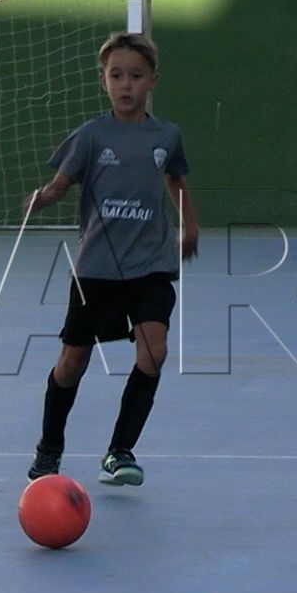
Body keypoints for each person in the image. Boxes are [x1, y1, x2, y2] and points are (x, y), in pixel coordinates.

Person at [23, 32, 197, 488]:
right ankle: (49, 448)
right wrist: (44, 197)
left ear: (152, 80)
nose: (126, 84)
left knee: (154, 352)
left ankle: (120, 452)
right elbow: (61, 184)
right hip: (97, 268)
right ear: (103, 81)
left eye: (135, 76)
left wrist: (191, 226)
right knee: (71, 363)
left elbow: (176, 179)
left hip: (150, 264)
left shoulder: (167, 135)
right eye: (116, 76)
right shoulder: (91, 136)